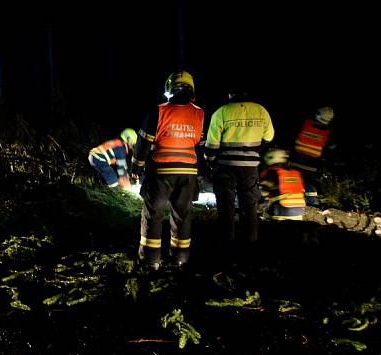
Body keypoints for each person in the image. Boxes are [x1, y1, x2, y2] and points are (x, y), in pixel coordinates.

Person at [131, 71, 204, 271]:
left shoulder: (158, 112)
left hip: (161, 172)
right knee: (182, 215)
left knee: (153, 214)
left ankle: (150, 260)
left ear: (169, 89)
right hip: (188, 173)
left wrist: (136, 167)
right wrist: (199, 171)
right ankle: (181, 259)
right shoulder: (199, 114)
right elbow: (200, 146)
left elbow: (143, 144)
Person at [205, 89, 274, 251]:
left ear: (230, 94)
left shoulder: (221, 112)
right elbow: (269, 136)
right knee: (249, 204)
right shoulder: (261, 110)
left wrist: (210, 161)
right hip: (250, 167)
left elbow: (212, 144)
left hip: (225, 166)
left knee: (225, 204)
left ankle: (226, 241)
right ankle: (251, 240)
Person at [287, 106, 334, 206]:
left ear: (318, 115)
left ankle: (292, 200)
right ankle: (313, 202)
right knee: (309, 183)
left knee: (293, 180)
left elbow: (293, 137)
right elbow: (329, 148)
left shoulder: (306, 123)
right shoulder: (328, 132)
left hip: (296, 159)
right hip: (312, 163)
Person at [259, 147, 306, 220]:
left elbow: (263, 192)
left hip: (280, 211)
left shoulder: (272, 173)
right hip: (299, 212)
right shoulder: (295, 173)